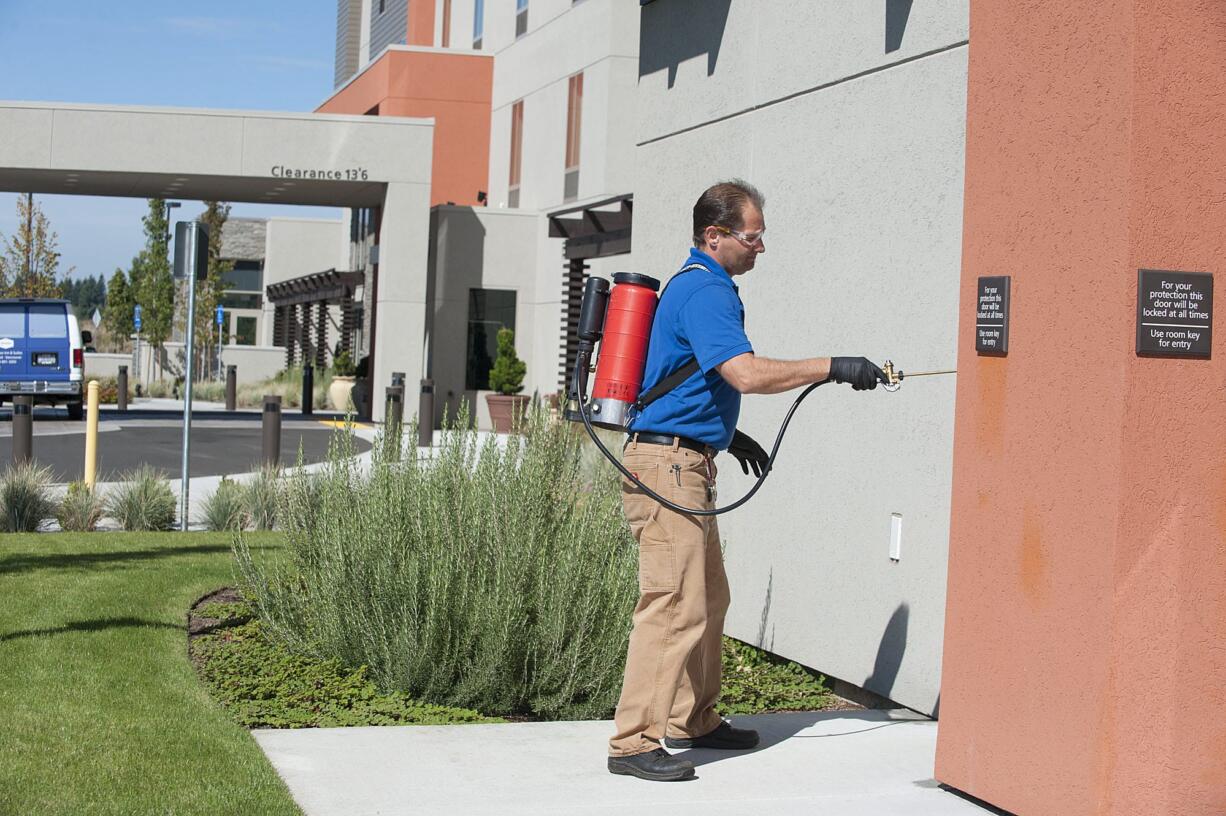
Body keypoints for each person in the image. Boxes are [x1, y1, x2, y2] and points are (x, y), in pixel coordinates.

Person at [606, 180, 886, 782]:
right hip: (669, 469)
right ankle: (632, 744)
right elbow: (744, 374)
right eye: (752, 236)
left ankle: (693, 719)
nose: (761, 247)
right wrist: (833, 367)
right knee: (673, 602)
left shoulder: (701, 287)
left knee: (707, 596)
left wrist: (725, 437)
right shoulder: (706, 290)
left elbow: (685, 381)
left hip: (686, 461)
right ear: (715, 235)